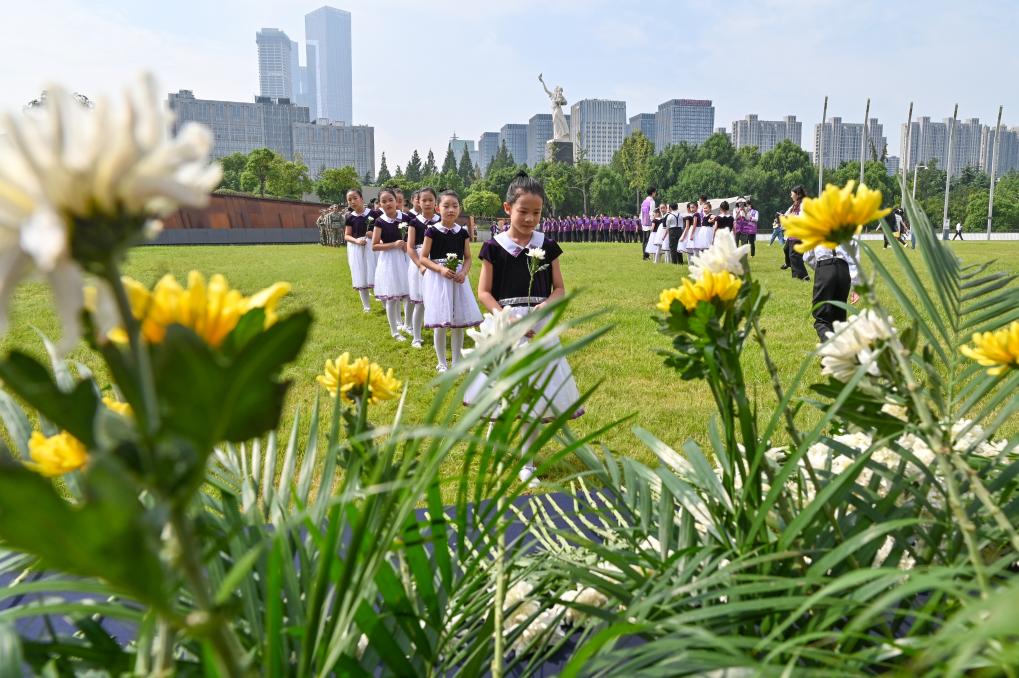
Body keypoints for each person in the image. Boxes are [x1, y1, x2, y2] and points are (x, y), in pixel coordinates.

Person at [468, 171, 584, 486]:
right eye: (524, 211)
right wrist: (507, 316)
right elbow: (484, 292)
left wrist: (542, 310)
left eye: (537, 212)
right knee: (503, 386)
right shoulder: (493, 247)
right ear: (508, 209)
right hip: (505, 324)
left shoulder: (547, 245)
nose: (531, 218)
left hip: (539, 325)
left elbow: (559, 289)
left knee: (536, 390)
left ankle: (527, 460)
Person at [419, 190, 483, 373]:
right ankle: (441, 362)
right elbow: (423, 258)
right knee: (440, 321)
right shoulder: (432, 231)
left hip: (457, 281)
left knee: (458, 321)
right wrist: (440, 269)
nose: (450, 210)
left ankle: (456, 361)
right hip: (439, 281)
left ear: (459, 209)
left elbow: (469, 257)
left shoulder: (462, 232)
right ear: (438, 208)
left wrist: (463, 272)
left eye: (455, 206)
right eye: (446, 206)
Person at [371, 187, 411, 341]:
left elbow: (413, 239)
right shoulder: (380, 221)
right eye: (384, 201)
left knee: (409, 295)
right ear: (380, 205)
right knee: (391, 297)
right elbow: (374, 246)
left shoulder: (406, 219)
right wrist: (393, 244)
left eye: (390, 200)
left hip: (406, 259)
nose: (388, 203)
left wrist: (407, 245)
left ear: (397, 201)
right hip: (389, 261)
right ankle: (395, 331)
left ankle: (408, 325)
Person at [406, 187, 441, 348]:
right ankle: (416, 337)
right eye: (423, 200)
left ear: (436, 202)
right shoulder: (414, 222)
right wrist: (420, 265)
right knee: (419, 302)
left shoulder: (440, 220)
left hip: (437, 262)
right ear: (418, 202)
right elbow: (410, 247)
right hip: (419, 263)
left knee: (436, 301)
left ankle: (437, 337)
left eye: (430, 200)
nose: (427, 203)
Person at [804, 240, 860, 341]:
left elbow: (807, 256)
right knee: (839, 317)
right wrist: (856, 285)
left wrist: (821, 269)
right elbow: (854, 255)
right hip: (844, 269)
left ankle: (831, 347)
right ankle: (841, 352)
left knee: (822, 319)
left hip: (824, 266)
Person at [343, 188, 376, 313]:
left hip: (371, 247)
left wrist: (371, 234)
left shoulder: (373, 214)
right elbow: (347, 235)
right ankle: (366, 306)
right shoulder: (350, 217)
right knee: (360, 274)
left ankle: (385, 301)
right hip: (357, 248)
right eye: (349, 200)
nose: (353, 201)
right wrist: (356, 241)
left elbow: (381, 231)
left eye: (355, 198)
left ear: (361, 199)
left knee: (375, 273)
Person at [783, 186, 810, 281]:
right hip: (793, 233)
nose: (790, 196)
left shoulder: (804, 204)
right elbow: (787, 214)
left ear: (797, 194)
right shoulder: (794, 205)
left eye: (792, 194)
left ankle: (803, 276)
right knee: (787, 250)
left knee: (794, 255)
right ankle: (795, 274)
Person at [640, 187, 657, 259]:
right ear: (653, 192)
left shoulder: (644, 201)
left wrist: (642, 221)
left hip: (644, 223)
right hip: (649, 223)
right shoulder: (652, 201)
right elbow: (652, 213)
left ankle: (645, 255)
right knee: (649, 240)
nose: (655, 193)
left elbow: (641, 213)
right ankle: (646, 256)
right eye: (655, 192)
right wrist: (654, 221)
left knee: (644, 240)